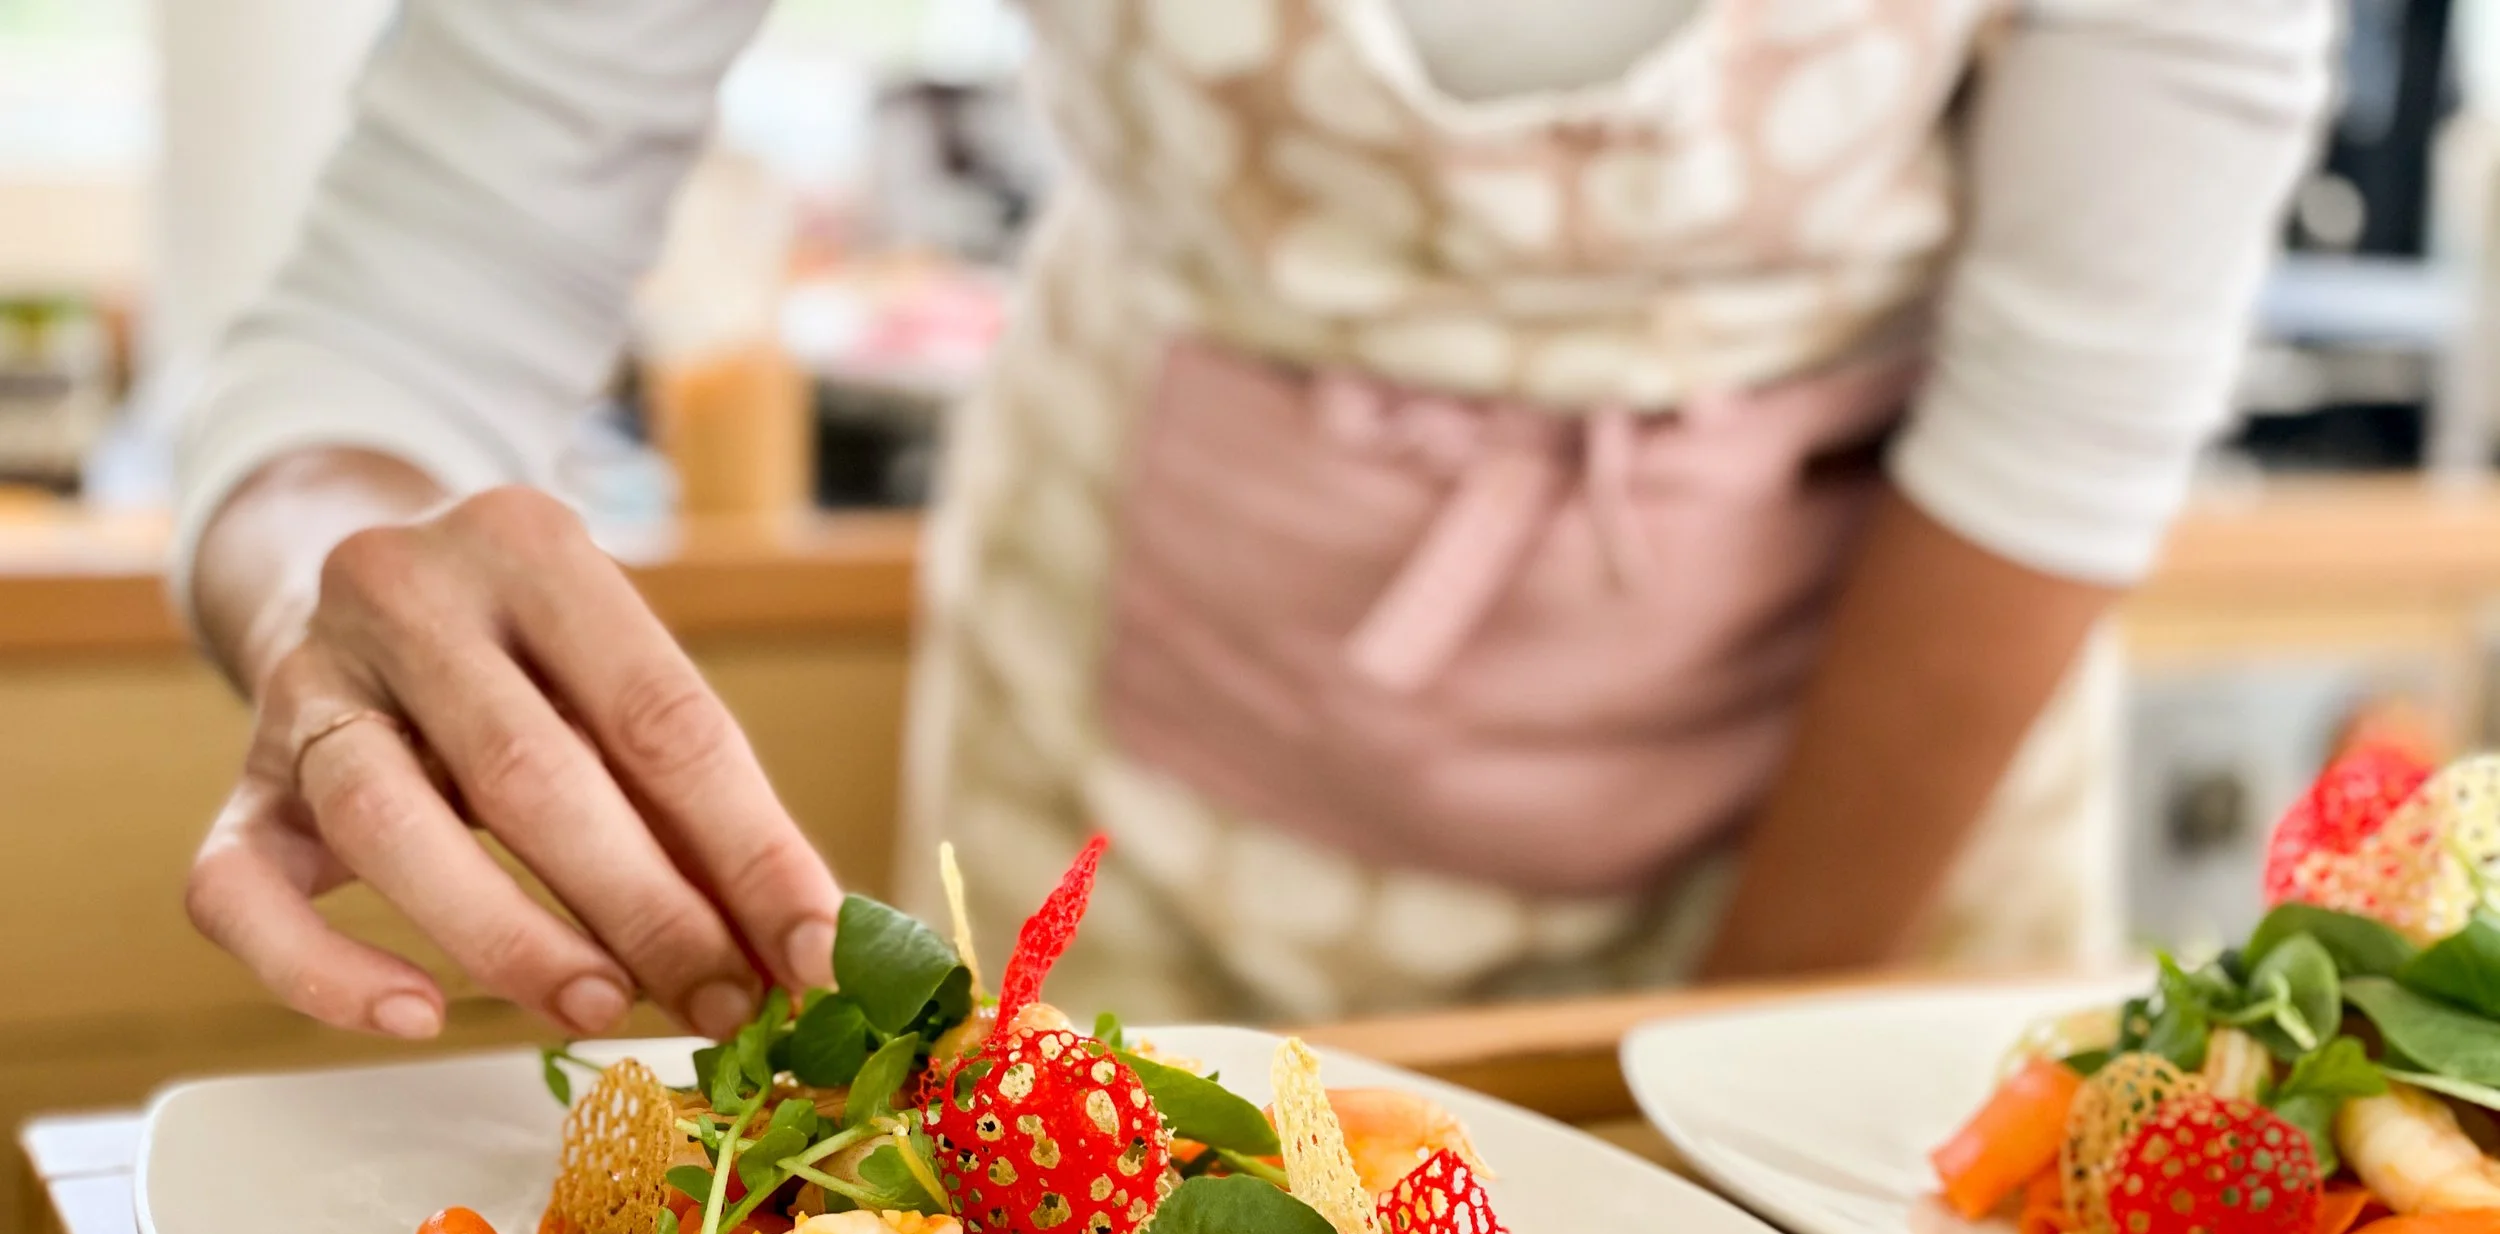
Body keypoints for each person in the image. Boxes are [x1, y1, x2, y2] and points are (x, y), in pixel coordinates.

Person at [177, 0, 2332, 1039]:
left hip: (1893, 812)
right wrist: (323, 569)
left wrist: (1721, 1079)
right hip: (1137, 774)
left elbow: (2068, 408)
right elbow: (392, 314)